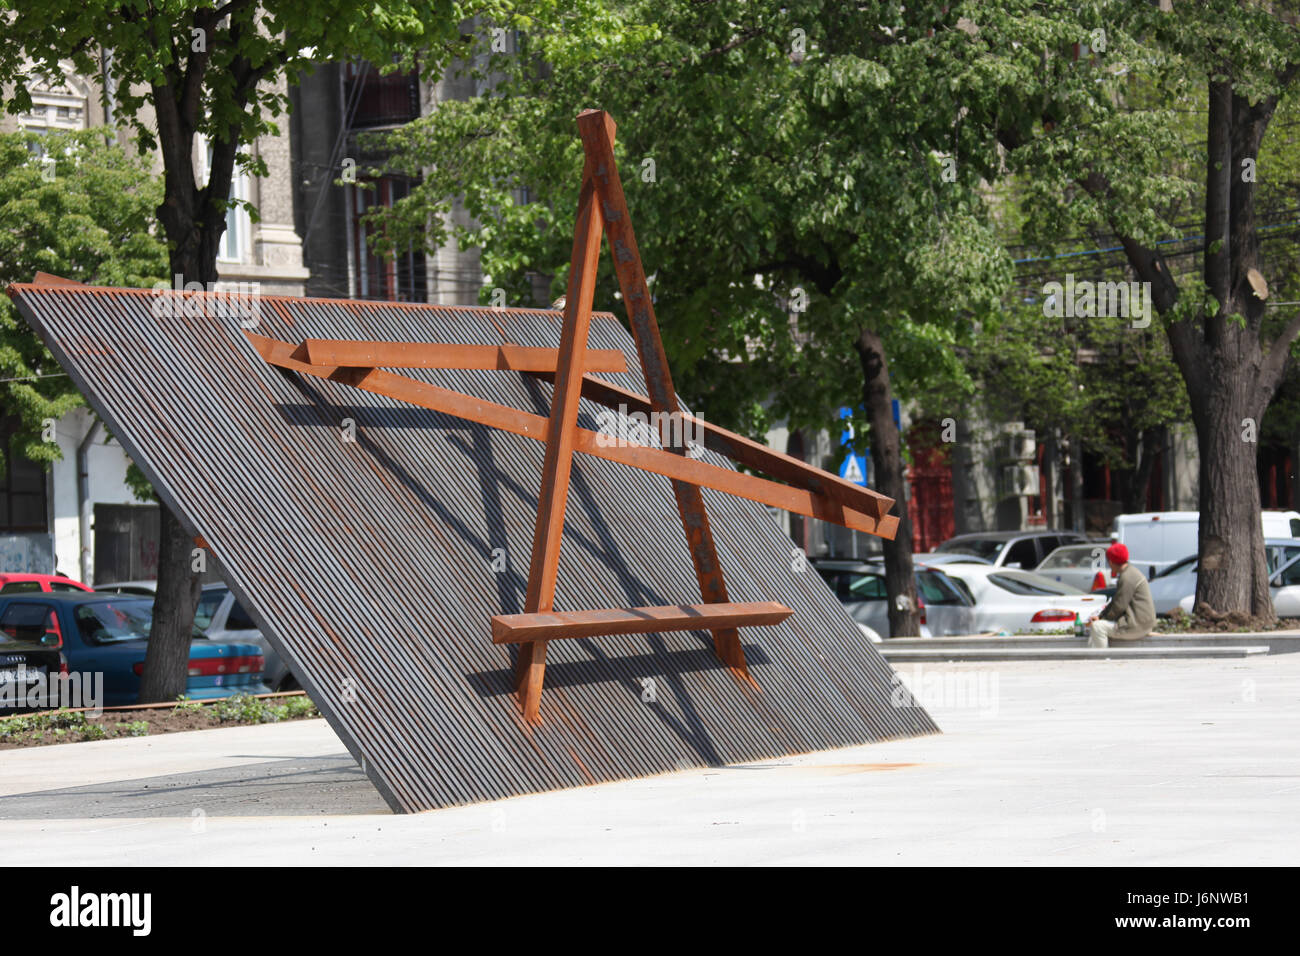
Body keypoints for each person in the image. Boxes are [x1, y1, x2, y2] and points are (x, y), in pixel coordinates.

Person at [1087, 542, 1156, 648]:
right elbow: (1117, 600)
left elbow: (1119, 605)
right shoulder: (1131, 572)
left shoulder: (1127, 577)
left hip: (1136, 626)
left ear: (1111, 561)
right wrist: (1101, 616)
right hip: (1143, 624)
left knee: (1097, 627)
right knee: (1096, 630)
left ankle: (1102, 661)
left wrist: (1101, 619)